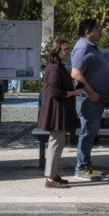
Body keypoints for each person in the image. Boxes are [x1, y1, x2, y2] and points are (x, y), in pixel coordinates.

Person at [70, 19, 109, 181]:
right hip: (89, 100)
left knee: (90, 132)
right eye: (97, 28)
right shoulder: (82, 47)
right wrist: (91, 93)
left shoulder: (90, 47)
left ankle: (86, 165)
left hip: (95, 100)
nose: (100, 31)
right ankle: (81, 168)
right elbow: (75, 73)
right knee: (87, 132)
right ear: (88, 32)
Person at [37, 39, 81, 188]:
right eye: (65, 49)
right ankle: (50, 178)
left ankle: (54, 174)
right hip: (56, 113)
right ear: (57, 51)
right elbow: (55, 92)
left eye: (69, 49)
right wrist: (74, 92)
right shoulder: (54, 68)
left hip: (60, 112)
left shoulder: (58, 67)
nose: (68, 52)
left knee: (58, 144)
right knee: (55, 145)